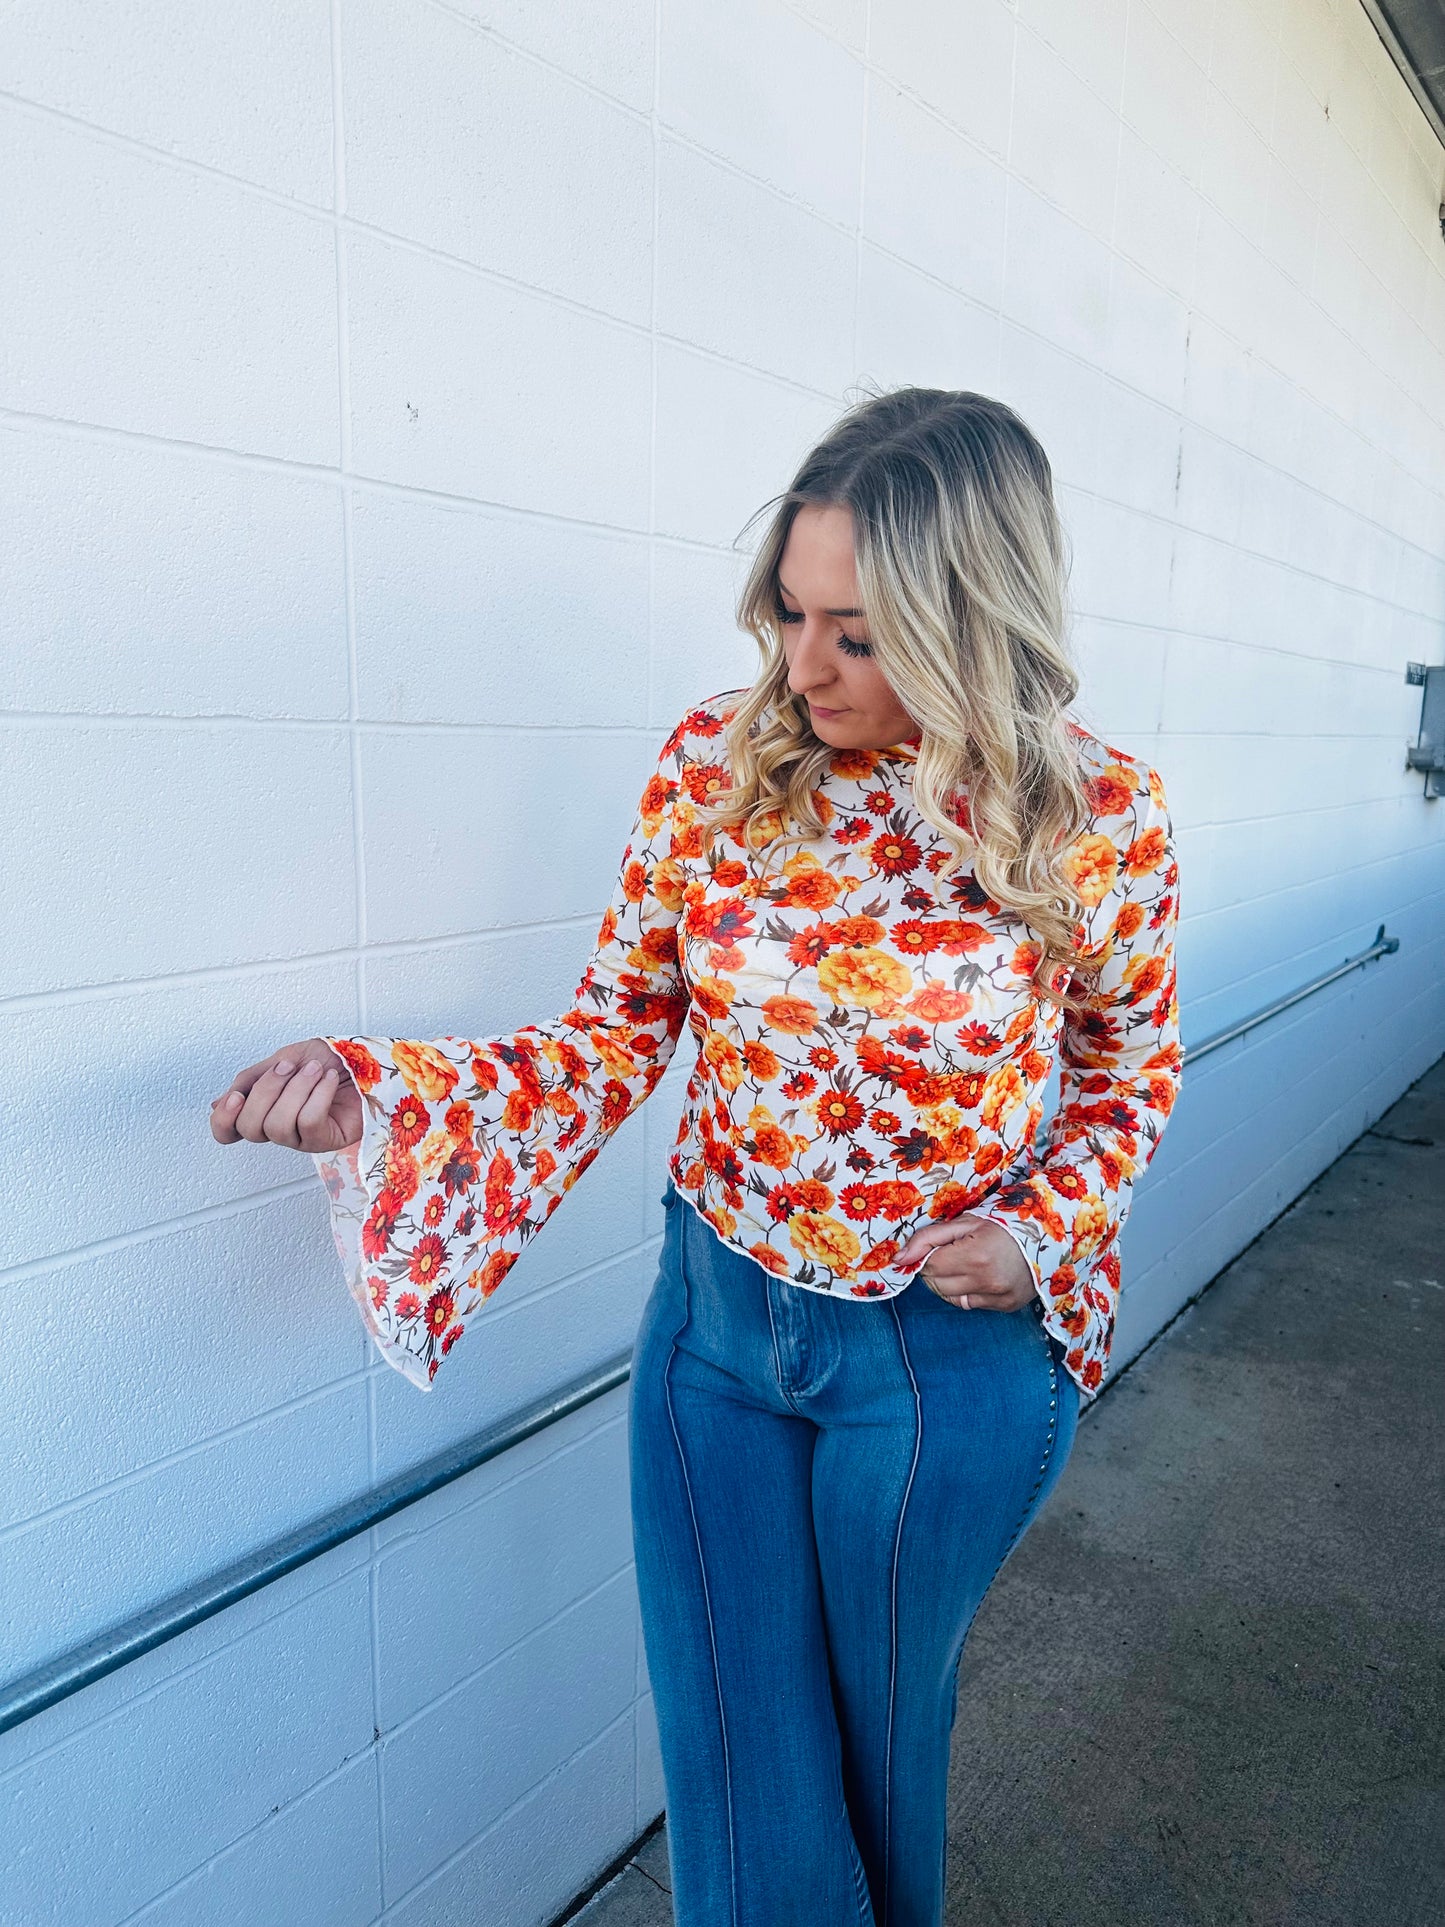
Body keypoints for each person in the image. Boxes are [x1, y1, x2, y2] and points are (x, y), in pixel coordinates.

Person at [210, 386, 1182, 1925]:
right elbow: (609, 1034)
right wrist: (372, 1090)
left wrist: (1044, 1231)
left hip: (940, 1360)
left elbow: (1126, 1067)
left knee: (874, 1766)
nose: (803, 669)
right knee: (737, 1775)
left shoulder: (1095, 815)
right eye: (789, 617)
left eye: (857, 633)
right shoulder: (712, 773)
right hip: (715, 1338)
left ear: (970, 617)